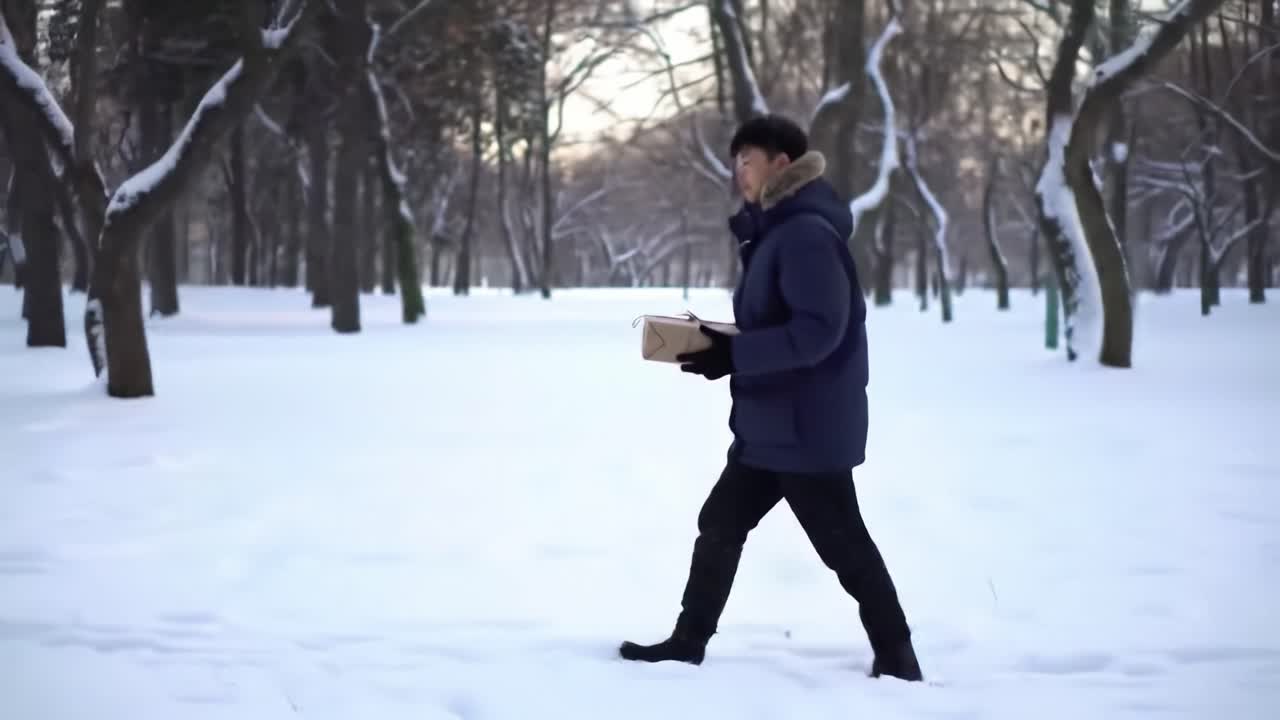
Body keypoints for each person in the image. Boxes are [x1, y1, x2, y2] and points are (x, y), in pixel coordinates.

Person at [618, 114, 923, 682]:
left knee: (844, 546)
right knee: (721, 522)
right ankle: (688, 641)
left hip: (806, 429)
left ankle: (899, 657)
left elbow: (818, 332)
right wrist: (718, 347)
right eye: (735, 161)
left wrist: (735, 354)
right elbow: (779, 324)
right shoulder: (775, 231)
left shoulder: (804, 235)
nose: (739, 171)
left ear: (782, 163)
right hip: (771, 428)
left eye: (748, 159)